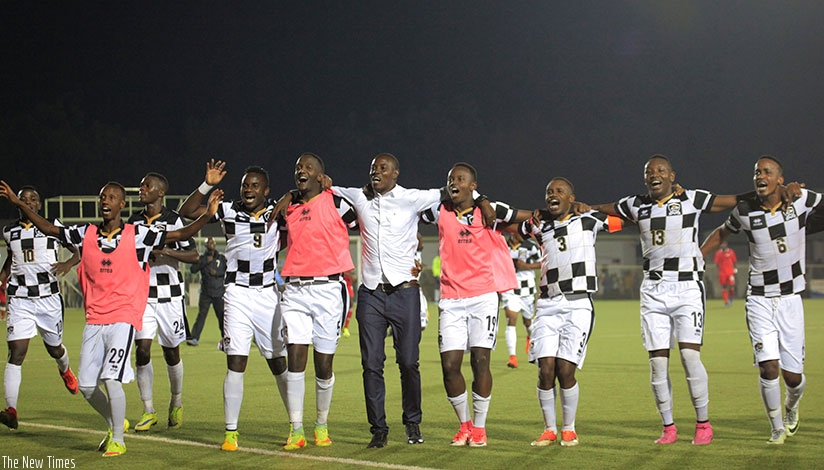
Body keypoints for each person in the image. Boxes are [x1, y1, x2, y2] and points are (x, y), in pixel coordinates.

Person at [0, 179, 221, 457]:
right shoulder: (85, 233)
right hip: (94, 319)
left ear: (122, 204)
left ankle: (118, 438)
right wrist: (18, 204)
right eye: (103, 196)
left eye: (112, 197)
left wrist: (208, 215)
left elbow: (181, 234)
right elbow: (50, 229)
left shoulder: (137, 234)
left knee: (111, 376)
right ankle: (115, 422)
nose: (106, 200)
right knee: (87, 386)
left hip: (123, 318)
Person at [583, 154, 747, 446]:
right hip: (653, 290)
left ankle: (703, 423)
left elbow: (730, 201)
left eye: (660, 170)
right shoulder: (636, 204)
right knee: (657, 364)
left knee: (689, 357)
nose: (654, 175)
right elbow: (607, 208)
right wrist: (586, 207)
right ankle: (668, 427)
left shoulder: (691, 198)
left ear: (672, 176)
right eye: (649, 172)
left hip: (687, 288)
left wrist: (764, 195)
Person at [324, 153, 452, 449]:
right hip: (371, 294)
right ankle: (378, 429)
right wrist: (312, 187)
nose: (376, 172)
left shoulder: (411, 198)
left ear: (395, 173)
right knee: (371, 364)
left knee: (408, 362)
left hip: (405, 292)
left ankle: (412, 421)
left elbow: (449, 192)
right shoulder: (360, 196)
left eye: (383, 168)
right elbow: (326, 188)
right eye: (373, 168)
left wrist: (482, 199)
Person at [701, 156, 823, 444]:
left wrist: (800, 190)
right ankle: (776, 427)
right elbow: (723, 232)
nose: (760, 176)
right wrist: (697, 255)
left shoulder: (799, 200)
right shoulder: (745, 210)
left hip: (790, 299)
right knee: (769, 367)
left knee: (793, 378)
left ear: (780, 179)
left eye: (767, 172)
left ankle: (791, 405)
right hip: (758, 299)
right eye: (757, 172)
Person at [178, 160, 288, 452]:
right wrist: (207, 185)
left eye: (255, 185)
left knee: (279, 363)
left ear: (266, 190)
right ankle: (230, 433)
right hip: (237, 294)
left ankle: (295, 425)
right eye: (245, 185)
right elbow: (186, 212)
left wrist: (291, 196)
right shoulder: (227, 210)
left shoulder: (278, 211)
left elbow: (304, 211)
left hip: (267, 295)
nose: (248, 189)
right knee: (236, 362)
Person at [420, 162, 531, 447]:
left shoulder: (490, 211)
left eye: (460, 179)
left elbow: (526, 217)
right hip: (451, 300)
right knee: (449, 366)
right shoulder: (439, 210)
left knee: (480, 361)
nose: (453, 183)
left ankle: (479, 428)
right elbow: (408, 213)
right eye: (450, 179)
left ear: (473, 185)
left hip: (483, 298)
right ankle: (464, 424)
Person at [520, 177, 623, 447]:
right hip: (547, 305)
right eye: (548, 192)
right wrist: (533, 216)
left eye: (559, 191)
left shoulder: (589, 220)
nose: (552, 195)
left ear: (571, 197)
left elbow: (625, 220)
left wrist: (592, 207)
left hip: (578, 305)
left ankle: (569, 428)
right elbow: (515, 228)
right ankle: (549, 430)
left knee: (565, 370)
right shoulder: (540, 226)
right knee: (545, 370)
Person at [276, 153, 358, 450]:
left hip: (329, 290)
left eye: (308, 167)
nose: (302, 170)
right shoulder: (288, 207)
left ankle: (321, 424)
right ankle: (296, 429)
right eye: (298, 166)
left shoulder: (336, 202)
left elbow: (362, 222)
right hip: (295, 290)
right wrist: (289, 196)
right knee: (295, 359)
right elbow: (275, 241)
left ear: (319, 175)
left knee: (323, 365)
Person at [0, 185, 80, 431]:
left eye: (33, 199)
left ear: (39, 204)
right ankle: (11, 410)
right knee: (16, 352)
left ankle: (65, 370)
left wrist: (68, 263)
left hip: (48, 299)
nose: (28, 202)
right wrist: (1, 279)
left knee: (54, 348)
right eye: (23, 199)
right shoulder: (9, 231)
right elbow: (11, 259)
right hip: (20, 299)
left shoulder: (52, 226)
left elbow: (78, 251)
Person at [127, 172, 198, 432]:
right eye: (141, 185)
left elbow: (194, 255)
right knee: (142, 350)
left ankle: (176, 401)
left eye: (147, 186)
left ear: (160, 192)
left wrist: (166, 251)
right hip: (142, 296)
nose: (141, 189)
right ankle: (148, 410)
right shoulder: (133, 221)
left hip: (170, 297)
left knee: (171, 353)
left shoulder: (173, 220)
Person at [501, 231, 541, 368]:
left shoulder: (531, 246)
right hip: (509, 288)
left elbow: (543, 262)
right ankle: (512, 357)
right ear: (513, 233)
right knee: (511, 319)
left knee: (528, 322)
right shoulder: (502, 245)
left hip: (527, 290)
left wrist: (527, 266)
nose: (525, 235)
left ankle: (530, 336)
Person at [189, 236, 227, 345]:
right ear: (206, 245)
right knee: (202, 315)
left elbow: (228, 271)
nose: (211, 244)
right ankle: (194, 338)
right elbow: (193, 269)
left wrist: (217, 273)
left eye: (212, 242)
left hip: (219, 292)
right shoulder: (202, 258)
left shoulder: (221, 258)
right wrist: (205, 261)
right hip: (206, 293)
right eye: (209, 243)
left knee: (221, 316)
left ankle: (226, 337)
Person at [713, 242, 737, 307]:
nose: (722, 245)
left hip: (730, 272)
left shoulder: (731, 252)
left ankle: (731, 298)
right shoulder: (718, 253)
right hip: (722, 273)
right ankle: (726, 301)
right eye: (721, 244)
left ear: (726, 244)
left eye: (723, 244)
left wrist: (735, 269)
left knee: (732, 286)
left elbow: (734, 261)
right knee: (724, 287)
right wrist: (718, 272)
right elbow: (717, 263)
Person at [341, 270, 356, 338]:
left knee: (351, 304)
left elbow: (353, 274)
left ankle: (346, 327)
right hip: (341, 282)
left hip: (348, 284)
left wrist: (353, 277)